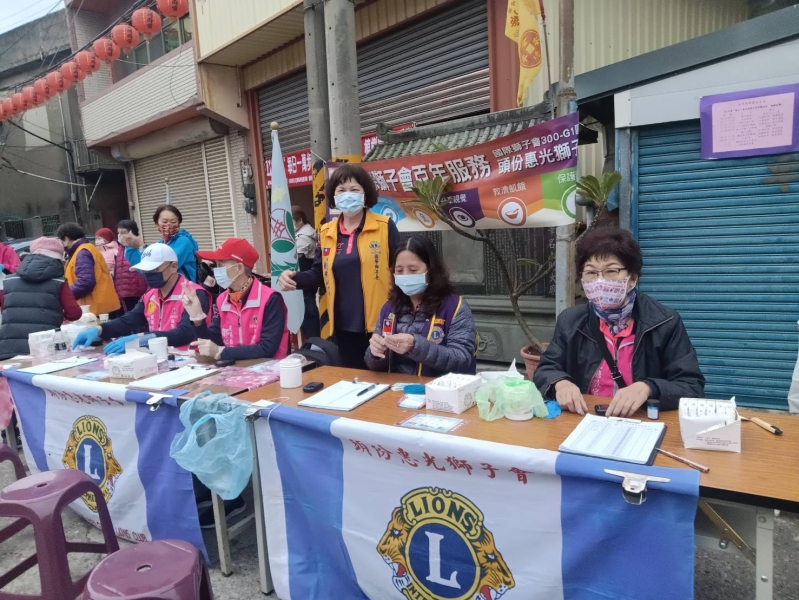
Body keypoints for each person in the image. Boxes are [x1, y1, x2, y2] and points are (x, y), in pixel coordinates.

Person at [533, 227, 704, 417]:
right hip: (585, 419)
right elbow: (546, 369)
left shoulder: (664, 322)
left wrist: (649, 387)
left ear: (632, 278)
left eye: (611, 271)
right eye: (591, 272)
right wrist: (560, 383)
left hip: (641, 421)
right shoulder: (571, 321)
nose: (600, 281)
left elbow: (691, 386)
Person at [278, 164, 399, 368]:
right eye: (341, 190)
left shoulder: (384, 226)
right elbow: (319, 273)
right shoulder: (326, 231)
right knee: (351, 378)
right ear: (333, 196)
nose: (347, 195)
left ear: (365, 193)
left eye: (354, 189)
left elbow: (399, 272)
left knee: (382, 377)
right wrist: (293, 278)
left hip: (379, 325)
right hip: (342, 325)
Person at [366, 235, 477, 376]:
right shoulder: (388, 308)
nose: (405, 276)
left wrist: (415, 346)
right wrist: (375, 353)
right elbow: (371, 363)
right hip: (396, 386)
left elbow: (461, 359)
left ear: (431, 270)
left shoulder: (454, 307)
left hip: (437, 387)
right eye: (399, 271)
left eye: (413, 270)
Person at [71, 244, 211, 353]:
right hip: (158, 356)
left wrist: (143, 339)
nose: (149, 275)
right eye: (145, 271)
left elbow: (185, 333)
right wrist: (100, 329)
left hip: (192, 359)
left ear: (173, 266)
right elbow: (129, 320)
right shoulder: (150, 295)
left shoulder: (194, 293)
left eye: (154, 270)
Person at [181, 238, 290, 361]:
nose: (215, 271)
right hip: (234, 368)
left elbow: (267, 348)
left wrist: (222, 352)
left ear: (239, 268)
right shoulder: (221, 299)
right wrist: (197, 318)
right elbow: (214, 341)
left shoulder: (270, 299)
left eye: (220, 265)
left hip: (268, 369)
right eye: (216, 265)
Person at [0, 237, 82, 359]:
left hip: (8, 348)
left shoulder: (9, 280)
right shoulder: (58, 282)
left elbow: (5, 309)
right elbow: (74, 313)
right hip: (45, 347)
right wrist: (57, 314)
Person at [56, 222, 121, 317]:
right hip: (97, 308)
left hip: (96, 310)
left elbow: (86, 282)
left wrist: (66, 296)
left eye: (61, 241)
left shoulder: (82, 253)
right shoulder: (82, 250)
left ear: (66, 239)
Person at [292, 206, 320, 340]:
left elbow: (297, 257)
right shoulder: (302, 233)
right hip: (304, 281)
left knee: (308, 314)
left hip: (305, 281)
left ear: (300, 220)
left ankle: (313, 343)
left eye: (292, 222)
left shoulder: (304, 236)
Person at [153, 205, 198, 282]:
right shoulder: (159, 243)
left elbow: (166, 267)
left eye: (173, 222)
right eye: (164, 222)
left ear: (179, 223)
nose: (169, 225)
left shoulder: (183, 241)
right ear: (157, 223)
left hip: (183, 286)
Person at [114, 220, 148, 313]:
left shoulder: (139, 247)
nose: (120, 236)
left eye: (123, 233)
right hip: (124, 291)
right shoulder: (120, 249)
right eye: (118, 233)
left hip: (138, 289)